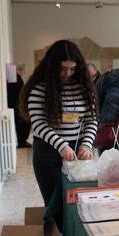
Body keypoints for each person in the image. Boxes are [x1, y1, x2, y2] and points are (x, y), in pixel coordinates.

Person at [19, 40, 98, 205]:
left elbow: (91, 120)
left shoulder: (84, 87)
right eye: (62, 69)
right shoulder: (39, 89)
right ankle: (57, 231)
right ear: (51, 65)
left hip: (77, 149)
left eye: (72, 69)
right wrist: (62, 146)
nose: (67, 74)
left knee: (80, 201)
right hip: (48, 152)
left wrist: (86, 144)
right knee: (56, 203)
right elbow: (39, 125)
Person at [7, 62, 31, 148]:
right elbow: (18, 92)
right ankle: (22, 141)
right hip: (17, 105)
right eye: (25, 71)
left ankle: (23, 140)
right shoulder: (15, 77)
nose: (25, 72)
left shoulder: (15, 77)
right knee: (22, 123)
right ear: (22, 70)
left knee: (23, 123)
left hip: (16, 104)